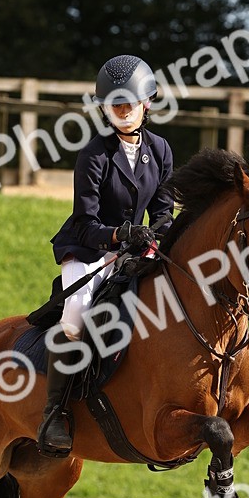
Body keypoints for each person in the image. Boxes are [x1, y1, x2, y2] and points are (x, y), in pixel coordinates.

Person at [37, 54, 174, 456]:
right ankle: (55, 413)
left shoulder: (161, 150)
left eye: (129, 104)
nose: (122, 111)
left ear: (145, 104)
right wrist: (120, 234)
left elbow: (165, 212)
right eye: (115, 105)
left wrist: (155, 240)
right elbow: (85, 221)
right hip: (89, 247)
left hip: (138, 249)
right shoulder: (95, 153)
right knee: (76, 318)